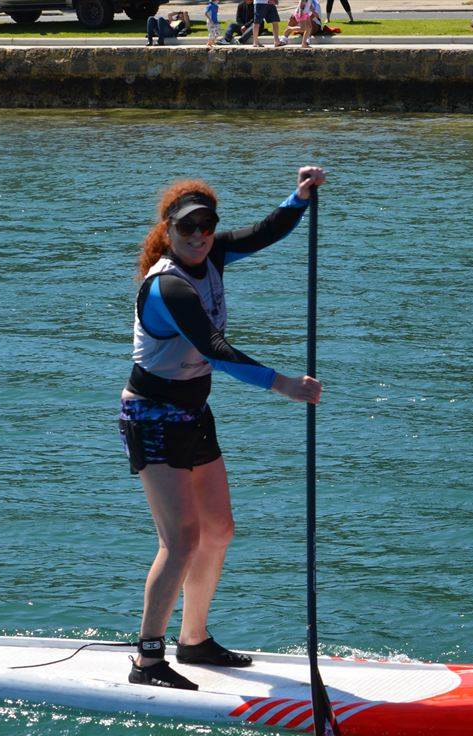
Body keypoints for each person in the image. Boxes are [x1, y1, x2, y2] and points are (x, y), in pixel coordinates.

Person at [123, 166, 328, 690]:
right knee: (181, 540)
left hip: (195, 413)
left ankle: (193, 640)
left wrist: (299, 197)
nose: (198, 236)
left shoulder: (212, 254)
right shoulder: (168, 287)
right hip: (152, 417)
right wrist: (283, 384)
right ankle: (147, 660)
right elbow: (214, 350)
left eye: (206, 226)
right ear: (168, 230)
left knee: (218, 530)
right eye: (187, 228)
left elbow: (264, 232)